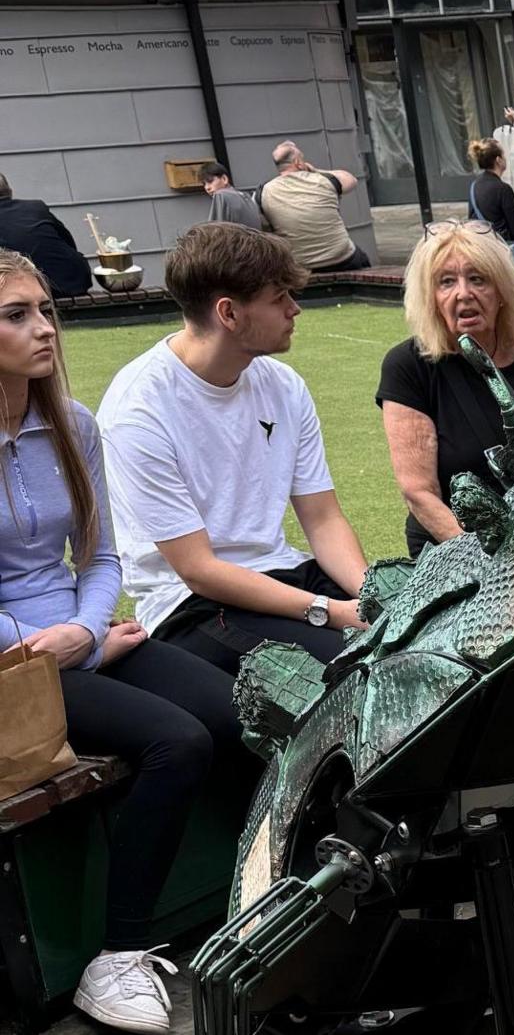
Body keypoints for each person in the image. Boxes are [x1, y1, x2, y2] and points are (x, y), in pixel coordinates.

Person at [0, 250, 241, 1035]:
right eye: (17, 315)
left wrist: (86, 631)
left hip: (82, 634)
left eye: (44, 308)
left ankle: (253, 897)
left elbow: (100, 557)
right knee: (178, 740)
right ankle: (117, 955)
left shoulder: (71, 424)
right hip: (14, 664)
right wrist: (48, 643)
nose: (45, 328)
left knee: (239, 708)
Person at [100, 223, 369, 670]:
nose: (294, 309)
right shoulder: (137, 410)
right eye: (279, 297)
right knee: (355, 667)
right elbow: (198, 570)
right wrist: (332, 611)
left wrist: (369, 594)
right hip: (191, 605)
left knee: (423, 633)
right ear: (229, 314)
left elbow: (322, 519)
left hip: (284, 573)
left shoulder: (284, 385)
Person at [379, 223, 514, 558]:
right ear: (432, 298)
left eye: (478, 279)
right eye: (446, 282)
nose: (463, 293)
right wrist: (494, 558)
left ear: (502, 292)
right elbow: (419, 493)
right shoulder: (408, 367)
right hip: (458, 549)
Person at [256, 141, 371, 273]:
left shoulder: (265, 191)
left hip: (300, 265)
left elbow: (265, 228)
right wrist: (315, 170)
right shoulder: (323, 181)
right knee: (362, 259)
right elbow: (350, 179)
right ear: (298, 162)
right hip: (341, 258)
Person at [0, 174, 91, 297]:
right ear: (10, 191)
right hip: (75, 278)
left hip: (33, 288)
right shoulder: (35, 207)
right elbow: (68, 241)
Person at [465, 138, 514, 278]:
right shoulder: (503, 189)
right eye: (504, 156)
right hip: (504, 252)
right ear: (498, 160)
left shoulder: (474, 186)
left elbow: (472, 221)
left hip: (485, 251)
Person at [200, 163, 264, 230]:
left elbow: (213, 231)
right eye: (204, 184)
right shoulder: (246, 196)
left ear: (224, 179)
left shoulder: (221, 195)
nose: (207, 188)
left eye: (210, 181)